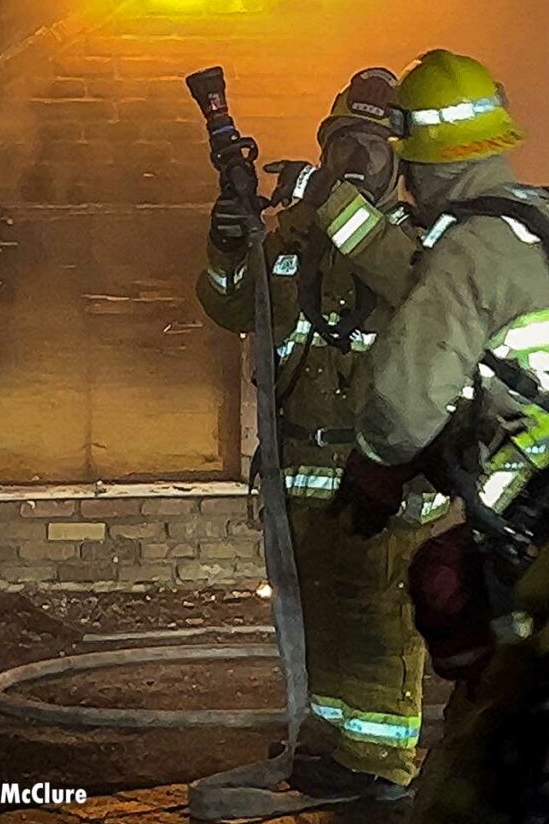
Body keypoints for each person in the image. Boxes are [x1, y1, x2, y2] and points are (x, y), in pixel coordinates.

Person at [196, 68, 449, 804]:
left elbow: (416, 291)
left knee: (377, 622)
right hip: (299, 473)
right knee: (313, 620)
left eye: (371, 145)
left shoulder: (420, 245)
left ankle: (382, 766)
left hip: (383, 477)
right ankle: (330, 745)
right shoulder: (293, 239)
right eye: (344, 142)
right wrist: (223, 248)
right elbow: (229, 310)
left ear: (399, 162)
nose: (354, 159)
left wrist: (325, 201)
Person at [336, 48, 549, 822]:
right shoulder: (540, 221)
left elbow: (400, 407)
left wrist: (375, 469)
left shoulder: (467, 250)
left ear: (417, 159)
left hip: (534, 528)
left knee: (452, 599)